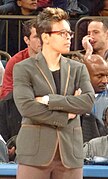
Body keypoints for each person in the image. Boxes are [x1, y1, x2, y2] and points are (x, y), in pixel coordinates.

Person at [13, 7, 95, 179]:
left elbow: (87, 101)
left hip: (70, 154)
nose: (69, 38)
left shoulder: (78, 68)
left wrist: (49, 100)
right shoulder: (23, 68)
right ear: (46, 37)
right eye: (62, 33)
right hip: (34, 153)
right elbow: (27, 107)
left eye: (69, 33)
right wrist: (67, 115)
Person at [0, 18, 41, 99]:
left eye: (43, 36)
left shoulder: (54, 59)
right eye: (36, 37)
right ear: (27, 40)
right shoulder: (16, 62)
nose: (41, 40)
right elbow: (7, 92)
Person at [81, 54, 108, 142]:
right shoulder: (73, 99)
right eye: (99, 76)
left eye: (107, 76)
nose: (105, 81)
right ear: (85, 75)